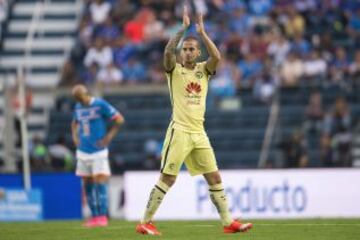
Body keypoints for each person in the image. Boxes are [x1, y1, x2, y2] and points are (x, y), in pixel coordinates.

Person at [136, 6, 253, 236]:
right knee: (168, 178)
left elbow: (217, 57)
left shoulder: (204, 69)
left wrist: (202, 32)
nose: (188, 52)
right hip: (179, 131)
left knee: (214, 176)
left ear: (198, 53)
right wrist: (182, 30)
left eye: (192, 49)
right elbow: (168, 50)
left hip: (199, 132)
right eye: (185, 49)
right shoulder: (174, 70)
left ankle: (228, 222)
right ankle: (145, 221)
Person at [71, 84, 124, 227]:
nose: (78, 100)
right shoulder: (78, 107)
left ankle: (102, 217)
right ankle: (94, 216)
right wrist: (75, 137)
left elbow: (119, 119)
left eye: (79, 97)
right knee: (87, 186)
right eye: (76, 98)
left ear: (86, 93)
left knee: (100, 183)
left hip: (98, 151)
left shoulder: (100, 104)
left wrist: (109, 137)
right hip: (83, 152)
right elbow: (74, 123)